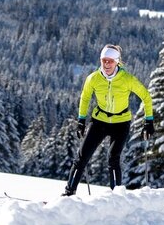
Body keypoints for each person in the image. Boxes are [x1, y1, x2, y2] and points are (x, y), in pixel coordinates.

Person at [63, 44, 154, 196]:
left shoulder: (127, 79)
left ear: (117, 62)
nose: (106, 64)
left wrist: (149, 121)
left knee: (113, 159)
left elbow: (146, 97)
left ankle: (115, 197)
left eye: (110, 61)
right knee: (81, 157)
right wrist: (81, 121)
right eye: (104, 60)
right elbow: (85, 98)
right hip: (99, 121)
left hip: (121, 123)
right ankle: (68, 193)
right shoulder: (93, 78)